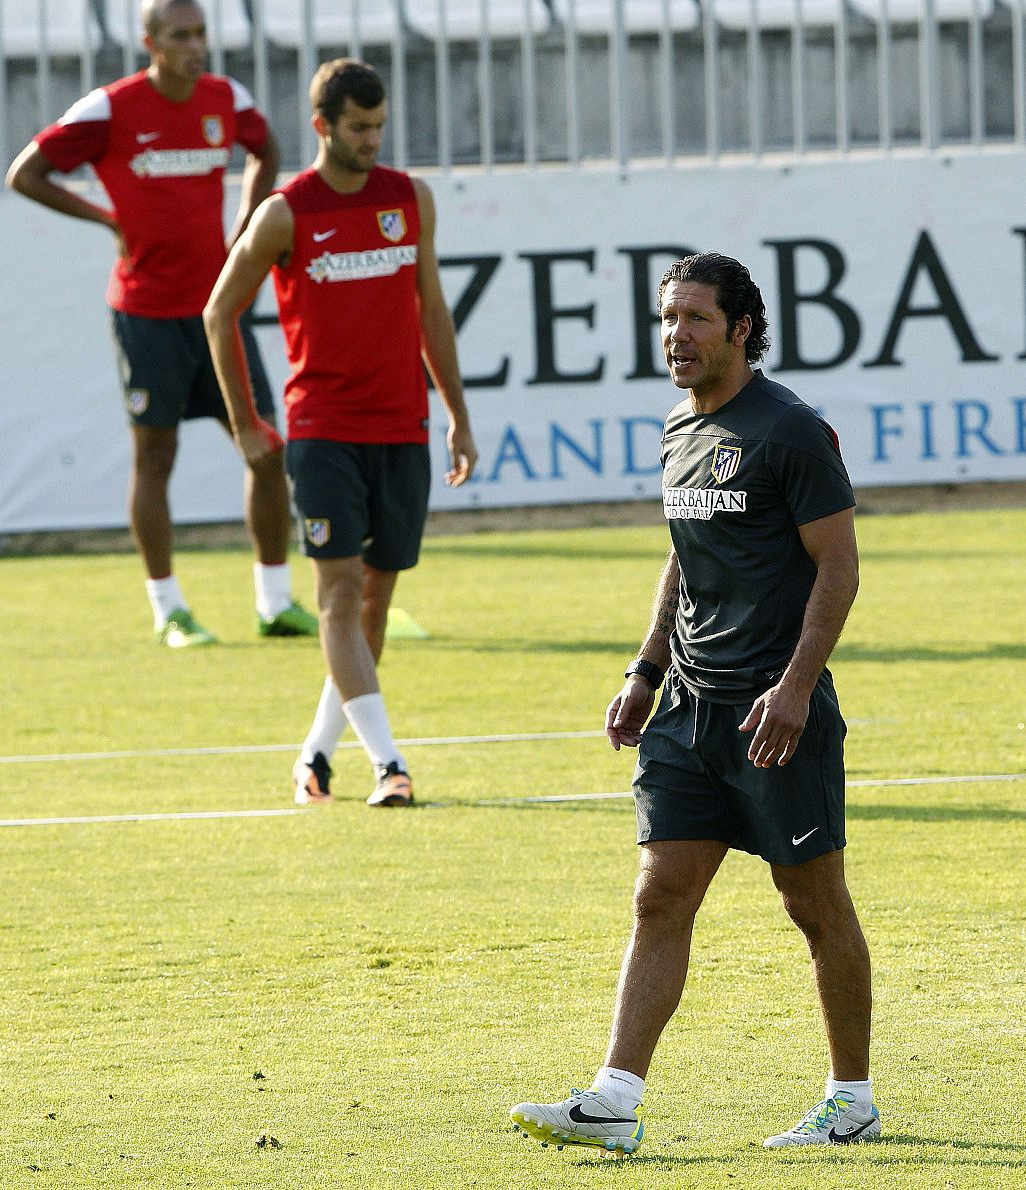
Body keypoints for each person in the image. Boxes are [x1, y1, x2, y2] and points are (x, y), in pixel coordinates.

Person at [509, 254, 878, 1155]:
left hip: (773, 716)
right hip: (686, 710)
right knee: (659, 896)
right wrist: (643, 669)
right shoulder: (680, 426)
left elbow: (840, 566)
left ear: (742, 327)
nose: (677, 336)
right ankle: (615, 1098)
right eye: (668, 319)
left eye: (696, 319)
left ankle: (853, 1099)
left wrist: (794, 689)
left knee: (815, 906)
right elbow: (685, 555)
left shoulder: (791, 432)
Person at [203, 59, 476, 807]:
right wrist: (245, 423)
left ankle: (316, 756)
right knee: (339, 592)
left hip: (401, 426)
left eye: (380, 125)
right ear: (323, 126)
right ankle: (390, 764)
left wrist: (457, 413)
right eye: (359, 127)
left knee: (375, 604)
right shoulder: (286, 212)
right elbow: (217, 311)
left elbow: (432, 312)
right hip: (322, 430)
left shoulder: (409, 199)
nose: (373, 139)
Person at [6, 0, 317, 648]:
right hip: (145, 313)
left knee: (264, 448)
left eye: (201, 32)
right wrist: (107, 219)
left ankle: (275, 601)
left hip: (216, 313)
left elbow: (267, 148)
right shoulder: (110, 109)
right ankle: (169, 609)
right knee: (156, 456)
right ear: (149, 41)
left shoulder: (224, 98)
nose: (195, 45)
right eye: (180, 35)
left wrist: (247, 229)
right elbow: (24, 174)